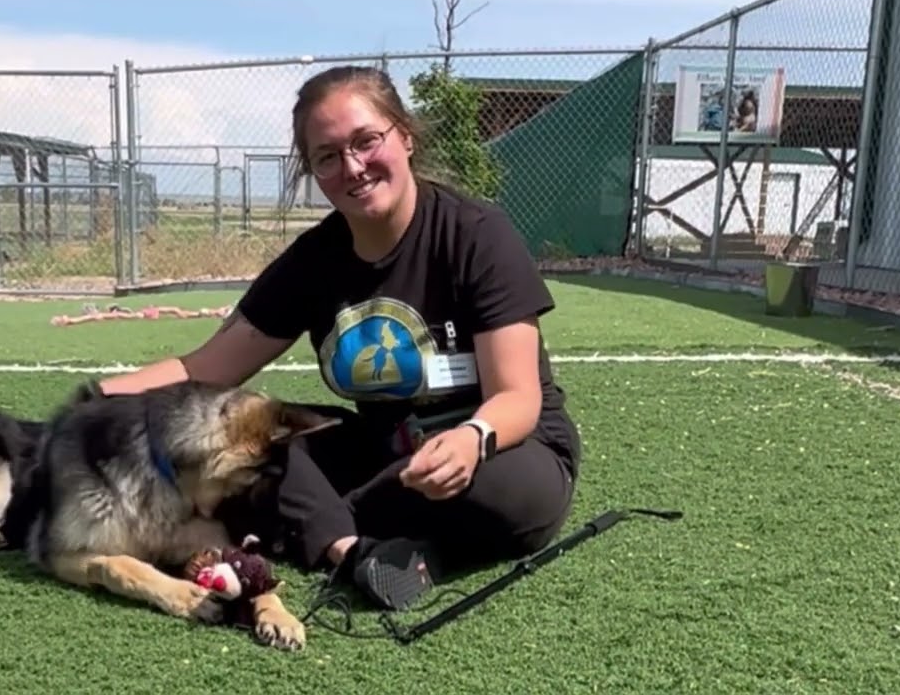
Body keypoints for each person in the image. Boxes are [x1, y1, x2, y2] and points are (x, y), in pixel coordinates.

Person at [99, 64, 581, 611]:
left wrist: (472, 438)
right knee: (248, 435)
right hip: (384, 450)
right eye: (327, 156)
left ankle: (318, 522)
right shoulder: (313, 260)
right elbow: (203, 370)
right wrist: (94, 403)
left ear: (405, 136)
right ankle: (355, 551)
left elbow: (517, 398)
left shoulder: (475, 234)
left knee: (510, 494)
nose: (352, 167)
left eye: (366, 141)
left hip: (502, 447)